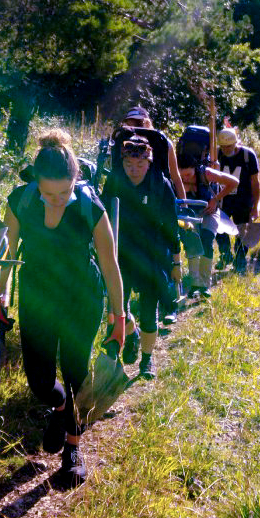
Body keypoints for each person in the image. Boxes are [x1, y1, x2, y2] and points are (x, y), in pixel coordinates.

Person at [0, 130, 123, 488]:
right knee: (38, 379)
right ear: (35, 182)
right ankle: (62, 409)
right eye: (47, 194)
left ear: (75, 181)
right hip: (37, 296)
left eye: (63, 193)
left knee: (76, 373)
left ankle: (73, 447)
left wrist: (119, 317)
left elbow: (110, 265)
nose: (55, 201)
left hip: (82, 298)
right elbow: (7, 253)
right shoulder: (20, 200)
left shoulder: (88, 205)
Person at [102, 135, 182, 380]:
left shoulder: (160, 185)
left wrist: (176, 263)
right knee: (118, 309)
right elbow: (101, 219)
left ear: (149, 163)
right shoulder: (115, 182)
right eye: (128, 165)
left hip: (153, 256)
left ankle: (147, 360)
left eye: (139, 165)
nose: (133, 171)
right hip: (122, 255)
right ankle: (129, 333)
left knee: (149, 310)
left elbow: (171, 226)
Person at [175, 121, 239, 295]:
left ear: (194, 169)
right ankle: (195, 283)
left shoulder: (206, 173)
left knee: (206, 240)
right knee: (191, 243)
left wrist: (215, 200)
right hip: (189, 212)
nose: (185, 179)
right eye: (181, 176)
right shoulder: (175, 176)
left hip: (210, 211)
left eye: (188, 175)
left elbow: (234, 182)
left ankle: (205, 284)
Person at [111, 106, 186, 199]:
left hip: (157, 195)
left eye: (138, 124)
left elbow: (176, 179)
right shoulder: (121, 143)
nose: (135, 129)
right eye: (131, 126)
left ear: (147, 123)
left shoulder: (163, 144)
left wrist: (184, 206)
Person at [214, 127, 260, 272]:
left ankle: (240, 259)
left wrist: (255, 206)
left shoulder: (248, 156)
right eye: (223, 146)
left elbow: (255, 182)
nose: (226, 149)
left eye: (229, 146)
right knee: (219, 229)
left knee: (243, 230)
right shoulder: (216, 155)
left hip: (243, 200)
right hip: (223, 199)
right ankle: (225, 255)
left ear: (235, 143)